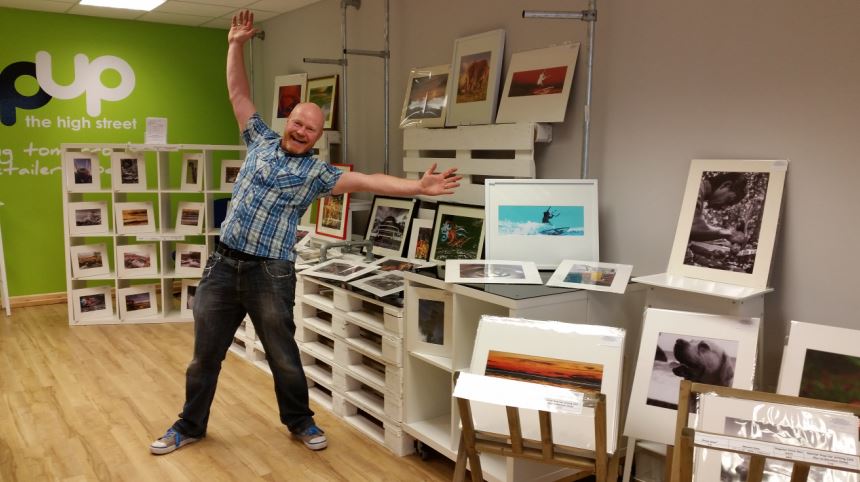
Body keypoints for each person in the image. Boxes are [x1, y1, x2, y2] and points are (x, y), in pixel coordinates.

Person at [149, 10, 461, 456]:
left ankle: (300, 422)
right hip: (223, 266)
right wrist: (235, 45)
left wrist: (417, 187)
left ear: (317, 136)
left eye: (310, 129)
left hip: (270, 274)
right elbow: (238, 92)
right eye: (297, 122)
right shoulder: (258, 139)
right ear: (288, 119)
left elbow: (369, 180)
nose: (301, 131)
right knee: (204, 358)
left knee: (283, 356)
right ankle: (189, 425)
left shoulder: (317, 174)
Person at [688, 173, 748, 243]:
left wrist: (726, 232)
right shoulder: (696, 189)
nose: (724, 207)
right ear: (726, 185)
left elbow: (700, 225)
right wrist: (728, 234)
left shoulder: (699, 191)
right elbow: (693, 228)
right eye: (729, 200)